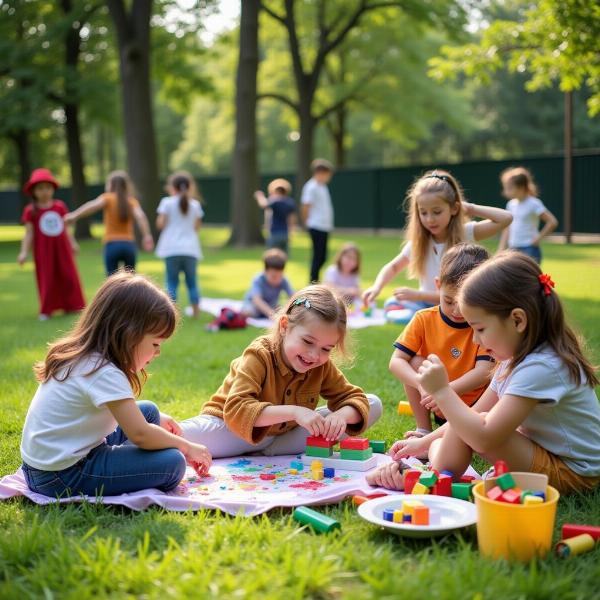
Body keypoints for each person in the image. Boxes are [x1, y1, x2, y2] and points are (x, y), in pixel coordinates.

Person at [368, 252, 600, 494]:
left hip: (574, 472)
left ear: (518, 321)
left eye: (480, 329)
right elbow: (474, 414)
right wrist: (422, 443)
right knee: (467, 423)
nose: (476, 339)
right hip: (544, 451)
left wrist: (442, 391)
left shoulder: (541, 365)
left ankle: (426, 475)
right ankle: (433, 468)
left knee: (475, 427)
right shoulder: (513, 358)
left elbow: (484, 438)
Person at [20, 271, 212, 498]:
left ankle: (126, 461)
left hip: (48, 462)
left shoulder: (87, 356)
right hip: (62, 474)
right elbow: (140, 434)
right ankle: (127, 464)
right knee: (173, 463)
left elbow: (140, 425)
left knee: (149, 411)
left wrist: (156, 430)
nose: (158, 352)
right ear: (129, 333)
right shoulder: (103, 371)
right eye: (156, 343)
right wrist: (186, 446)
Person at [180, 285, 383, 457]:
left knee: (373, 404)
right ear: (285, 326)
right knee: (177, 438)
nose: (314, 355)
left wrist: (340, 417)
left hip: (283, 441)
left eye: (326, 349)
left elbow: (354, 397)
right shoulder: (260, 354)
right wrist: (294, 412)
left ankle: (267, 453)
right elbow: (237, 410)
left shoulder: (321, 365)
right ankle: (258, 450)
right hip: (231, 430)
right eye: (307, 342)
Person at [362, 170, 513, 324]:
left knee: (412, 314)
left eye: (437, 212)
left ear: (454, 208)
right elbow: (393, 267)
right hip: (423, 305)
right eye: (423, 213)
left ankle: (428, 319)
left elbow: (506, 218)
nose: (430, 219)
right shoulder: (419, 243)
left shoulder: (466, 233)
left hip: (454, 306)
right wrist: (376, 287)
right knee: (392, 303)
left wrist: (470, 208)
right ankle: (424, 317)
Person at [388, 243, 493, 450]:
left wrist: (444, 390)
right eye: (448, 300)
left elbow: (484, 372)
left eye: (463, 302)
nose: (456, 310)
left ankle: (443, 437)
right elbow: (396, 361)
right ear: (438, 285)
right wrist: (422, 385)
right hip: (436, 404)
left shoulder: (483, 324)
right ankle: (424, 429)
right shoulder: (424, 318)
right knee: (414, 361)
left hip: (474, 409)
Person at [17, 168, 85, 320]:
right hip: (43, 251)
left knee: (69, 275)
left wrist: (73, 243)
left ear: (53, 189)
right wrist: (23, 252)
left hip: (62, 250)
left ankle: (74, 305)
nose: (44, 192)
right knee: (46, 278)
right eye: (40, 188)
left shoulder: (60, 207)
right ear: (33, 191)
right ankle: (46, 310)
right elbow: (29, 233)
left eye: (47, 188)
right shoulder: (30, 211)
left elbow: (66, 229)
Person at [64, 170, 154, 276]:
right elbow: (141, 216)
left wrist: (74, 215)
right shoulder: (131, 201)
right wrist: (147, 235)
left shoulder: (107, 198)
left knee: (111, 283)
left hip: (112, 245)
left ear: (110, 184)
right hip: (128, 245)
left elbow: (91, 206)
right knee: (130, 282)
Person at [155, 171, 204, 318]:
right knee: (192, 282)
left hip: (171, 249)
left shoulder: (166, 203)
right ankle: (196, 312)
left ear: (172, 187)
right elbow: (196, 227)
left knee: (171, 282)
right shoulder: (195, 205)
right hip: (190, 249)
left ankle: (171, 313)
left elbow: (160, 224)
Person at [498, 166, 558, 264]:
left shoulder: (534, 203)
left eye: (509, 188)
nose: (505, 192)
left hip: (529, 249)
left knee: (529, 279)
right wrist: (501, 248)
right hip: (513, 249)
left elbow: (552, 222)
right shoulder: (510, 204)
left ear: (521, 187)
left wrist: (538, 239)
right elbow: (507, 228)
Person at [301, 159, 334, 283]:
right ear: (320, 172)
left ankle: (315, 280)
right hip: (316, 225)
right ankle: (313, 281)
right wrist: (306, 223)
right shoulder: (311, 187)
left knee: (323, 256)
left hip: (324, 226)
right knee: (318, 256)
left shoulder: (322, 187)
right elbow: (306, 205)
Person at [241, 249, 293, 319]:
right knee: (248, 311)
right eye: (274, 276)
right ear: (265, 271)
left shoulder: (283, 280)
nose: (277, 279)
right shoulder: (258, 279)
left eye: (280, 276)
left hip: (271, 305)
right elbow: (257, 300)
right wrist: (271, 314)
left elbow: (292, 296)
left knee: (283, 310)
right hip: (255, 305)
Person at [254, 178, 296, 254]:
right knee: (283, 256)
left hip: (274, 232)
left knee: (271, 256)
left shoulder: (275, 201)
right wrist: (291, 232)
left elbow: (263, 204)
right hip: (285, 233)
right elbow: (291, 219)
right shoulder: (290, 202)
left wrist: (260, 196)